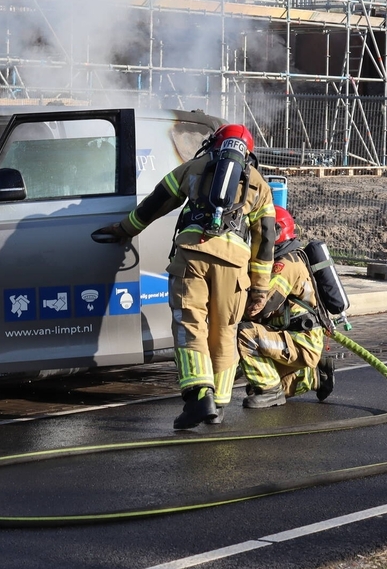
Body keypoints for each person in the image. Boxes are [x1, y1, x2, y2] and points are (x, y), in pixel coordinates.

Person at [94, 124, 277, 429]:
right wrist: (259, 289)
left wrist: (125, 229)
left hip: (193, 255)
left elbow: (156, 202)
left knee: (190, 324)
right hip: (234, 268)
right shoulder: (259, 184)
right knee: (225, 333)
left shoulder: (194, 167)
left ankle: (198, 397)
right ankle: (218, 406)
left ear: (214, 144)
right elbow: (267, 237)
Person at [237, 206, 335, 409]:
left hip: (300, 342)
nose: (255, 238)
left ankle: (272, 392)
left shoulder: (285, 265)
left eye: (259, 232)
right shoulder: (284, 259)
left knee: (244, 333)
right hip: (290, 337)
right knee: (254, 387)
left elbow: (261, 307)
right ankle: (314, 376)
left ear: (276, 233)